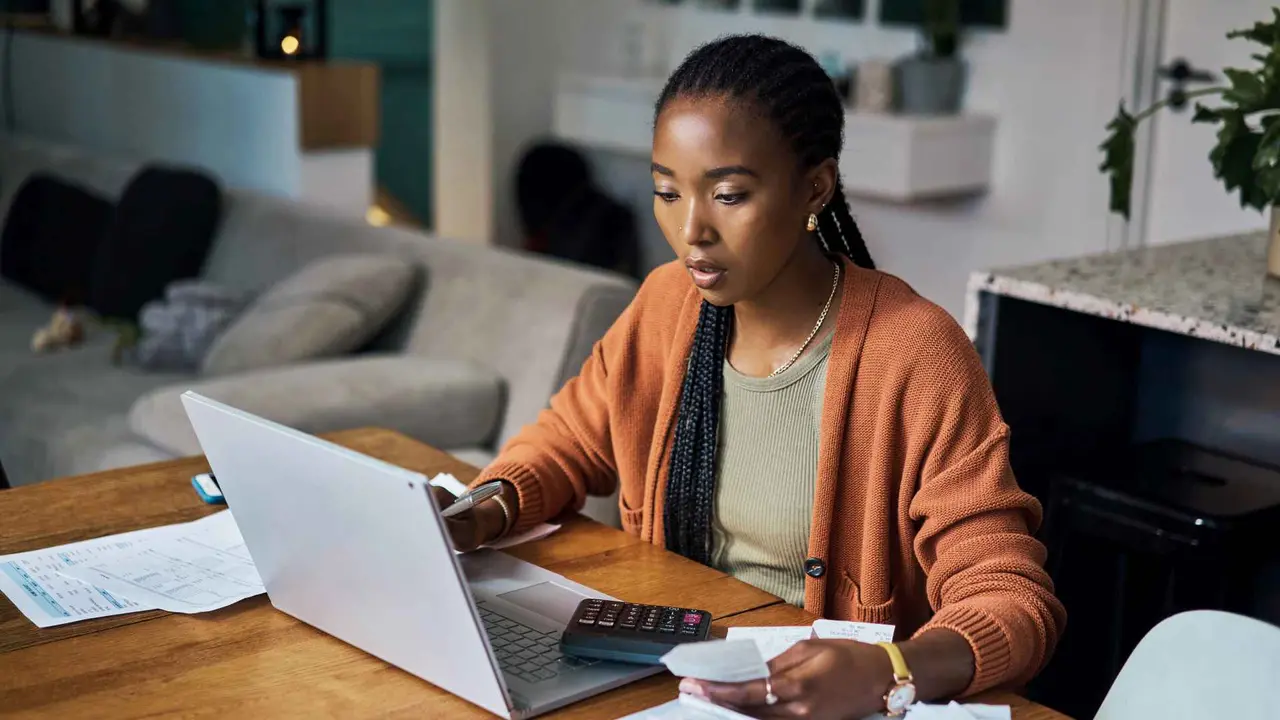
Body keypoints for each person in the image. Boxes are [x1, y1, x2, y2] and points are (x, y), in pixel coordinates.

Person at [435, 34, 1065, 719]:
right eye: (666, 193)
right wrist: (483, 509)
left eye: (729, 194)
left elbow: (1011, 597)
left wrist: (889, 667)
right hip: (673, 683)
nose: (691, 231)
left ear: (815, 187)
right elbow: (565, 441)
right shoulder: (667, 304)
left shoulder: (915, 353)